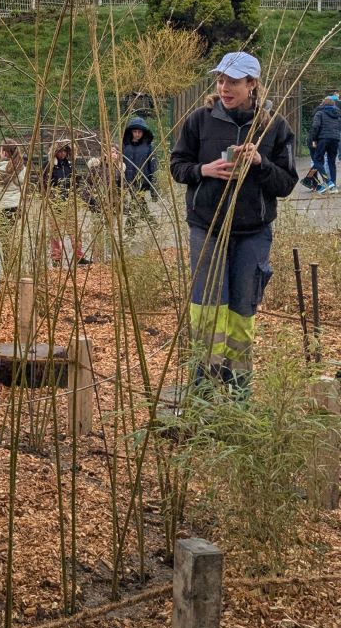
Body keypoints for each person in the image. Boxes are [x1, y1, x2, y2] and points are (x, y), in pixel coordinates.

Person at [170, 51, 298, 389]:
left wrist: (260, 163)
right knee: (207, 308)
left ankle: (238, 389)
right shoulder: (199, 121)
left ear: (252, 84)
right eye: (221, 80)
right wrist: (204, 170)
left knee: (242, 310)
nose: (224, 88)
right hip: (207, 228)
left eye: (233, 81)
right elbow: (177, 166)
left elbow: (286, 183)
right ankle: (204, 388)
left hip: (253, 233)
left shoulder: (274, 126)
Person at [43, 138, 87, 265]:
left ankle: (79, 256)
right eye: (60, 151)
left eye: (64, 151)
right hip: (55, 204)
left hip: (69, 203)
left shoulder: (70, 166)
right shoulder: (49, 166)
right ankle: (56, 258)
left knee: (74, 230)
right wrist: (50, 198)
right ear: (55, 152)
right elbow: (44, 184)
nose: (62, 153)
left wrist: (74, 196)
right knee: (55, 232)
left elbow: (76, 182)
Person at [309, 93, 339, 193]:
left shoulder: (320, 113)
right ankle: (333, 185)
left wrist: (314, 139)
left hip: (322, 139)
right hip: (335, 139)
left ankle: (326, 182)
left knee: (317, 161)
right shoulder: (337, 115)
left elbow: (315, 127)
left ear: (323, 104)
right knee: (331, 162)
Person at [121, 117, 158, 199]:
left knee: (139, 200)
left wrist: (154, 188)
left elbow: (153, 166)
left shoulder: (148, 146)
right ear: (131, 132)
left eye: (139, 132)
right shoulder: (124, 145)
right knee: (133, 201)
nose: (137, 134)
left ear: (143, 132)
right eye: (135, 131)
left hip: (143, 180)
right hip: (127, 179)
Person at [0, 138, 26, 215]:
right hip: (18, 204)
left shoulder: (1, 169)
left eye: (1, 150)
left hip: (4, 206)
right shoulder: (22, 168)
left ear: (4, 152)